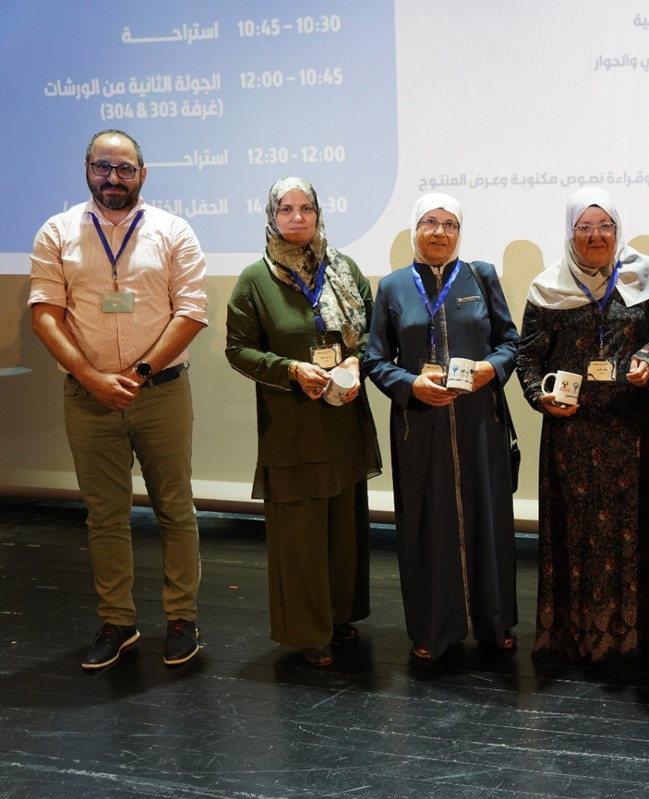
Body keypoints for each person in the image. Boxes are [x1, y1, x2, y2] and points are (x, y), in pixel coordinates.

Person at [28, 129, 207, 669]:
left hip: (161, 393)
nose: (113, 178)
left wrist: (137, 372)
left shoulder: (173, 231)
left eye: (125, 169)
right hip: (88, 398)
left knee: (175, 509)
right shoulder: (56, 232)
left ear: (142, 174)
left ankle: (182, 618)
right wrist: (92, 377)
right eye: (103, 167)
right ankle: (117, 622)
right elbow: (45, 314)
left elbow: (191, 311)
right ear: (87, 170)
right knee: (105, 517)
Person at [225, 177, 381, 668]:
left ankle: (339, 614)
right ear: (271, 217)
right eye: (286, 209)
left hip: (342, 418)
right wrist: (291, 370)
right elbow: (238, 351)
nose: (297, 217)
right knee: (300, 535)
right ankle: (309, 631)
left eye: (306, 208)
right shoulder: (256, 280)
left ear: (318, 213)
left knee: (344, 527)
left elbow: (372, 334)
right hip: (291, 426)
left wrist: (356, 362)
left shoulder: (344, 268)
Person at [515, 187, 649, 662]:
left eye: (605, 226)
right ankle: (576, 635)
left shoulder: (646, 277)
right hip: (572, 437)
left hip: (632, 433)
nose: (596, 236)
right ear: (571, 233)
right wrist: (540, 397)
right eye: (584, 228)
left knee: (631, 532)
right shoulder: (548, 288)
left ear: (618, 230)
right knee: (576, 533)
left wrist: (648, 359)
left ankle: (631, 635)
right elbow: (527, 358)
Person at [364, 193, 520, 661]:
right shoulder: (393, 286)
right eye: (430, 222)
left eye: (450, 224)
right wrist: (410, 384)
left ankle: (494, 622)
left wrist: (491, 369)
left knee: (488, 518)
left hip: (480, 422)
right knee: (426, 526)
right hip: (421, 425)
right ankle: (433, 629)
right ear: (415, 229)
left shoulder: (480, 275)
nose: (440, 232)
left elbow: (510, 342)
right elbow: (374, 358)